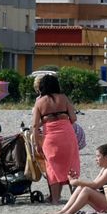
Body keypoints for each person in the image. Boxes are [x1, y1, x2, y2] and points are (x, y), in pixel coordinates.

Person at [33, 73, 80, 204]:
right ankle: (75, 197)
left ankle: (55, 199)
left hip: (51, 138)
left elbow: (35, 125)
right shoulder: (64, 98)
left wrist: (37, 143)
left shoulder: (40, 102)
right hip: (67, 135)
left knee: (52, 167)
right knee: (72, 165)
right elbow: (74, 118)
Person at [52, 143, 107, 214]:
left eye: (98, 156)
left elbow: (96, 185)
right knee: (80, 188)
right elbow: (94, 183)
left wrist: (76, 181)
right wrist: (73, 179)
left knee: (86, 190)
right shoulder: (105, 168)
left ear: (106, 157)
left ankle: (69, 213)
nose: (96, 159)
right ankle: (63, 211)